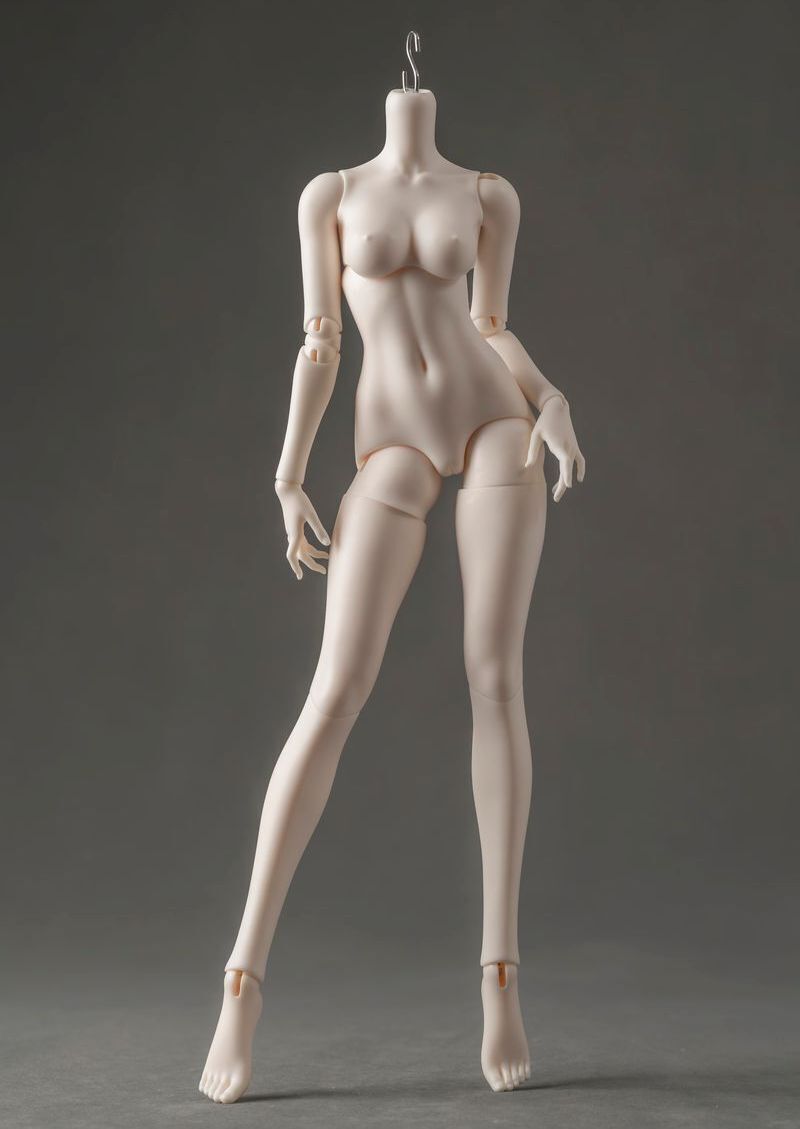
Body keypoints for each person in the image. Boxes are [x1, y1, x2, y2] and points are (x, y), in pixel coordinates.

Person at [200, 84, 585, 1104]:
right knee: (333, 691)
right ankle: (241, 979)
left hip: (495, 422)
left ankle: (499, 975)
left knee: (494, 679)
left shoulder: (488, 194)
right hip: (390, 441)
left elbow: (490, 325)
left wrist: (548, 398)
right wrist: (288, 474)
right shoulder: (328, 195)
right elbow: (321, 342)